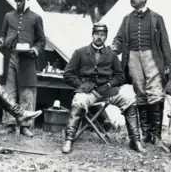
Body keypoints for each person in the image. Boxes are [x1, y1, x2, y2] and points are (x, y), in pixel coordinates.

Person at [61, 23, 146, 154]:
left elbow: (120, 76)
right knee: (78, 101)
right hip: (88, 92)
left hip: (108, 91)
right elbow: (68, 74)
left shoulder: (111, 55)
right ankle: (69, 139)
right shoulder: (80, 52)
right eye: (96, 34)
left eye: (102, 35)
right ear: (92, 35)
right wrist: (82, 85)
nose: (99, 37)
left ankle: (135, 141)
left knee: (130, 100)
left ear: (106, 37)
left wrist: (109, 85)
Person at [111, 0, 171, 147]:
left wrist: (167, 63)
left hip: (152, 57)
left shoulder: (156, 18)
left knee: (156, 93)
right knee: (140, 94)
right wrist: (114, 47)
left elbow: (164, 42)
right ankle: (146, 134)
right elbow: (119, 38)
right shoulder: (127, 19)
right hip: (133, 58)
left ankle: (156, 135)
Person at [0, 0, 46, 137]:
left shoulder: (36, 18)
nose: (18, 3)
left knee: (26, 93)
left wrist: (35, 49)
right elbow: (3, 35)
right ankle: (10, 124)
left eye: (21, 1)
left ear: (26, 1)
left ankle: (24, 126)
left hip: (28, 60)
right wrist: (1, 40)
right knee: (9, 92)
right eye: (16, 1)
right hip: (12, 57)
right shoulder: (9, 16)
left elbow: (41, 40)